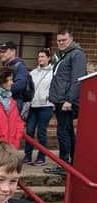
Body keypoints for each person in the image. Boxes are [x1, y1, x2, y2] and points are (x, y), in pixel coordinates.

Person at [47, 29, 87, 173]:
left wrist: (69, 100)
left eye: (64, 40)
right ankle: (71, 162)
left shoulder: (77, 55)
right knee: (68, 131)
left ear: (71, 39)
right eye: (59, 41)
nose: (61, 43)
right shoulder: (63, 55)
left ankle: (64, 164)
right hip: (59, 100)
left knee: (63, 132)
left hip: (66, 101)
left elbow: (77, 79)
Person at [24, 49, 54, 166]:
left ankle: (41, 157)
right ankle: (27, 156)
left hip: (46, 106)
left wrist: (49, 97)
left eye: (42, 56)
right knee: (29, 131)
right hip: (33, 105)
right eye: (39, 57)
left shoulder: (53, 72)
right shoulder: (33, 73)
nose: (40, 59)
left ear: (48, 58)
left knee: (41, 132)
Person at [0, 41, 29, 111]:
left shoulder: (20, 66)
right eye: (0, 52)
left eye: (4, 52)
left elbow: (20, 84)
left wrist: (2, 92)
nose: (1, 54)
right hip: (7, 101)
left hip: (15, 102)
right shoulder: (7, 66)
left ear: (13, 51)